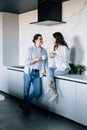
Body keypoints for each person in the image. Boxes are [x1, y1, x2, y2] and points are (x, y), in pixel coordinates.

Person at [19, 34, 48, 115]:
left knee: (37, 91)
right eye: (40, 39)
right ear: (35, 40)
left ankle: (24, 103)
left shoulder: (44, 50)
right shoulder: (30, 50)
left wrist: (45, 69)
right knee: (26, 91)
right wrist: (36, 59)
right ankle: (26, 109)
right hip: (28, 72)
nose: (41, 40)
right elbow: (27, 62)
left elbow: (46, 61)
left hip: (37, 73)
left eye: (42, 39)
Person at [45, 32, 70, 102]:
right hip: (58, 67)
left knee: (51, 74)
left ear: (57, 38)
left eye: (53, 38)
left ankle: (53, 91)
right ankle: (51, 87)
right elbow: (55, 61)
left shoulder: (64, 48)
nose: (52, 39)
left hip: (64, 68)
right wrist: (51, 56)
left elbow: (65, 60)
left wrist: (55, 55)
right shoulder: (56, 48)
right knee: (48, 69)